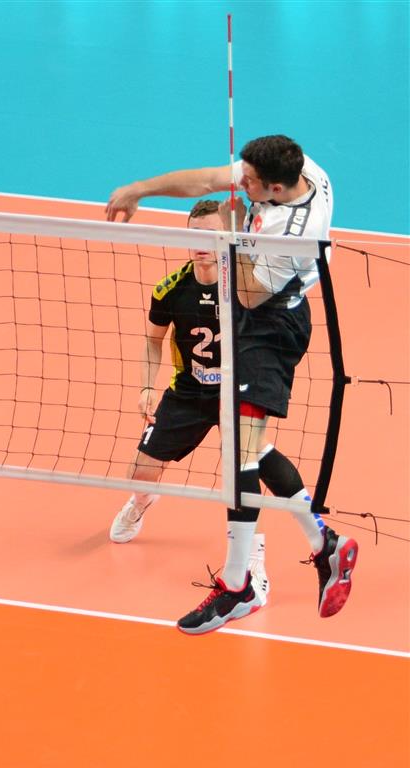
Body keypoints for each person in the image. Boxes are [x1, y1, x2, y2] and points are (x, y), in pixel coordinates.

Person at [106, 134, 356, 633]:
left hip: (270, 321)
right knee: (250, 450)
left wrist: (234, 234)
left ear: (278, 188)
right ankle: (320, 545)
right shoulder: (299, 166)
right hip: (253, 314)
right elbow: (208, 179)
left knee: (240, 451)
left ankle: (242, 583)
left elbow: (248, 293)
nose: (243, 185)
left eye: (253, 184)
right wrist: (139, 189)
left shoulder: (293, 234)